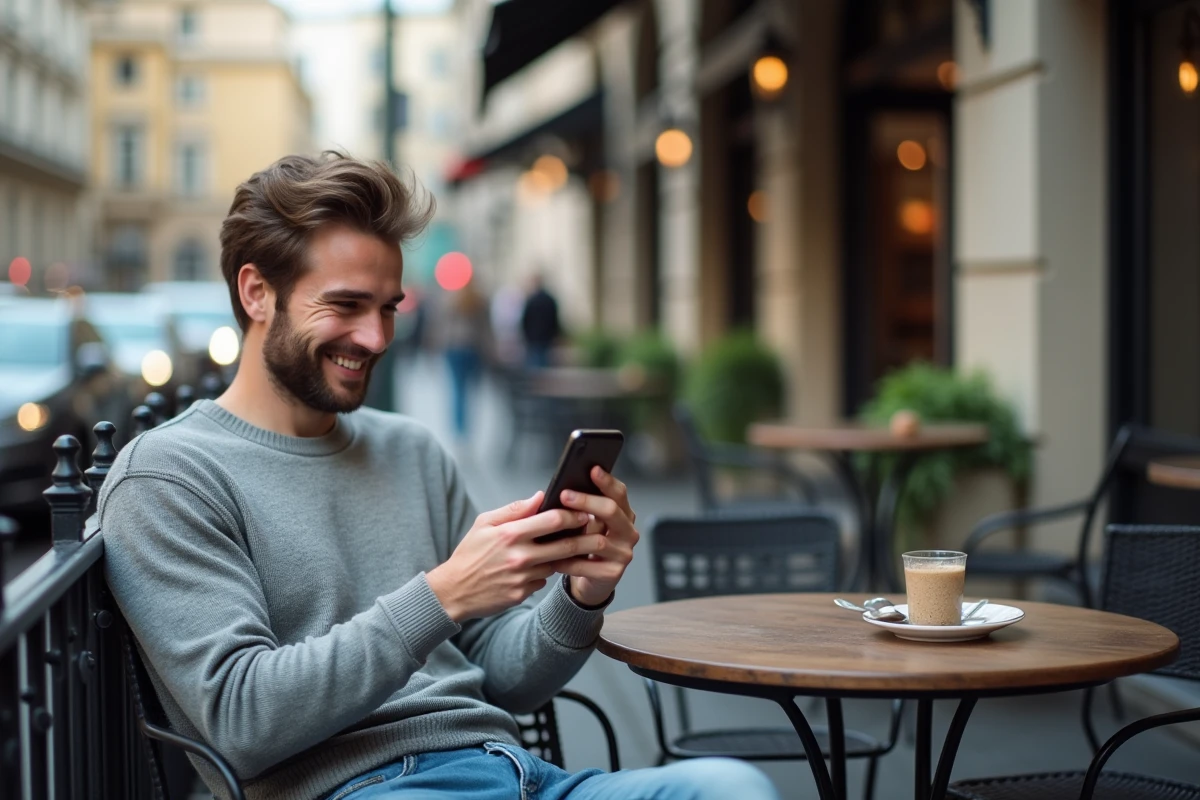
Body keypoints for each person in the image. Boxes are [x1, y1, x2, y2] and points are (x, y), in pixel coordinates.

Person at [97, 152, 778, 800]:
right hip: (360, 787)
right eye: (346, 305)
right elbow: (241, 720)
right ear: (256, 292)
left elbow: (504, 677)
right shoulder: (169, 476)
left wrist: (581, 593)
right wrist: (443, 595)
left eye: (388, 307)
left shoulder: (412, 451)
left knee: (732, 787)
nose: (376, 338)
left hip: (517, 775)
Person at [434, 277, 490, 440]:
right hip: (473, 348)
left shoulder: (452, 300)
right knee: (472, 390)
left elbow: (443, 326)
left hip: (455, 348)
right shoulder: (479, 300)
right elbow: (486, 328)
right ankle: (468, 426)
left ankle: (459, 428)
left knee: (458, 389)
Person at [520, 273, 561, 369]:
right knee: (544, 362)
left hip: (533, 337)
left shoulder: (531, 300)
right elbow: (554, 319)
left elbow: (525, 320)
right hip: (546, 337)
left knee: (534, 363)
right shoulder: (549, 299)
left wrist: (525, 335)